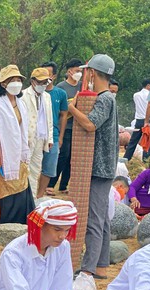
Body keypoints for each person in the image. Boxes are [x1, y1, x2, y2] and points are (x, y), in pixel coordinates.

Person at [67, 54, 119, 290]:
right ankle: (100, 265)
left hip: (99, 167)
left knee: (95, 220)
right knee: (102, 219)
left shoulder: (104, 99)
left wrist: (70, 108)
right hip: (104, 166)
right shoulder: (108, 97)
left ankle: (86, 273)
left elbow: (90, 124)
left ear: (93, 74)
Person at [0, 65, 35, 224]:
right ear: (3, 84)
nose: (16, 83)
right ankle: (4, 222)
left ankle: (22, 221)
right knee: (4, 185)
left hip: (18, 151)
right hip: (1, 150)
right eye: (11, 80)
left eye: (18, 80)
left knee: (21, 183)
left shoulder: (21, 103)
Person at [48, 58, 84, 194]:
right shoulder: (61, 88)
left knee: (72, 158)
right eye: (77, 71)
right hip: (66, 126)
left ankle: (64, 185)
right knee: (63, 155)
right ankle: (51, 183)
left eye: (80, 71)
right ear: (69, 71)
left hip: (78, 127)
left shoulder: (82, 86)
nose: (79, 73)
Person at [38, 62, 69, 198]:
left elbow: (63, 116)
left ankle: (40, 194)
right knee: (34, 165)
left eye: (48, 74)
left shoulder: (60, 94)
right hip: (36, 135)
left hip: (54, 136)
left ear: (54, 76)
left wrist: (60, 137)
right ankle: (33, 191)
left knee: (49, 166)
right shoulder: (35, 92)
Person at [22, 68, 53, 197]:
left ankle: (33, 197)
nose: (43, 85)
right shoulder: (23, 95)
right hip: (28, 136)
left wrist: (50, 138)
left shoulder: (47, 96)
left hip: (41, 137)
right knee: (25, 168)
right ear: (33, 81)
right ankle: (24, 197)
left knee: (36, 169)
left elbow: (49, 119)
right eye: (40, 82)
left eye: (45, 82)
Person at [124, 79, 150, 160]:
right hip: (149, 121)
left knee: (133, 141)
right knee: (147, 141)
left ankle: (126, 158)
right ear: (148, 86)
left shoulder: (136, 95)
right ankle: (146, 159)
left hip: (139, 121)